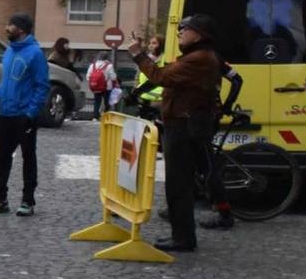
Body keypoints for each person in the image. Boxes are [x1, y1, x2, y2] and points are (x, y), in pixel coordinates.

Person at [135, 14, 226, 253]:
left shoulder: (199, 59)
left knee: (179, 184)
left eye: (184, 29)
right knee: (183, 182)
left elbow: (161, 77)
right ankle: (182, 233)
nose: (180, 33)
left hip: (184, 127)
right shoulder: (199, 57)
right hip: (185, 123)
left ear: (198, 34)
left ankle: (184, 237)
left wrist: (137, 55)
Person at [0, 13, 50, 217]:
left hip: (24, 115)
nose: (6, 28)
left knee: (28, 157)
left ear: (21, 30)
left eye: (10, 25)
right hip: (5, 112)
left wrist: (31, 112)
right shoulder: (9, 51)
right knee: (0, 156)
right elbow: (7, 80)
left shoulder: (35, 54)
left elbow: (42, 86)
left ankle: (28, 201)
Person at [86, 53, 115, 120]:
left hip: (96, 86)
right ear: (107, 58)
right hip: (107, 87)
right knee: (106, 102)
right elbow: (113, 77)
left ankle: (95, 117)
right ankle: (106, 117)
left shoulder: (92, 65)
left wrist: (94, 82)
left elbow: (88, 77)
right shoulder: (109, 66)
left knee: (97, 102)